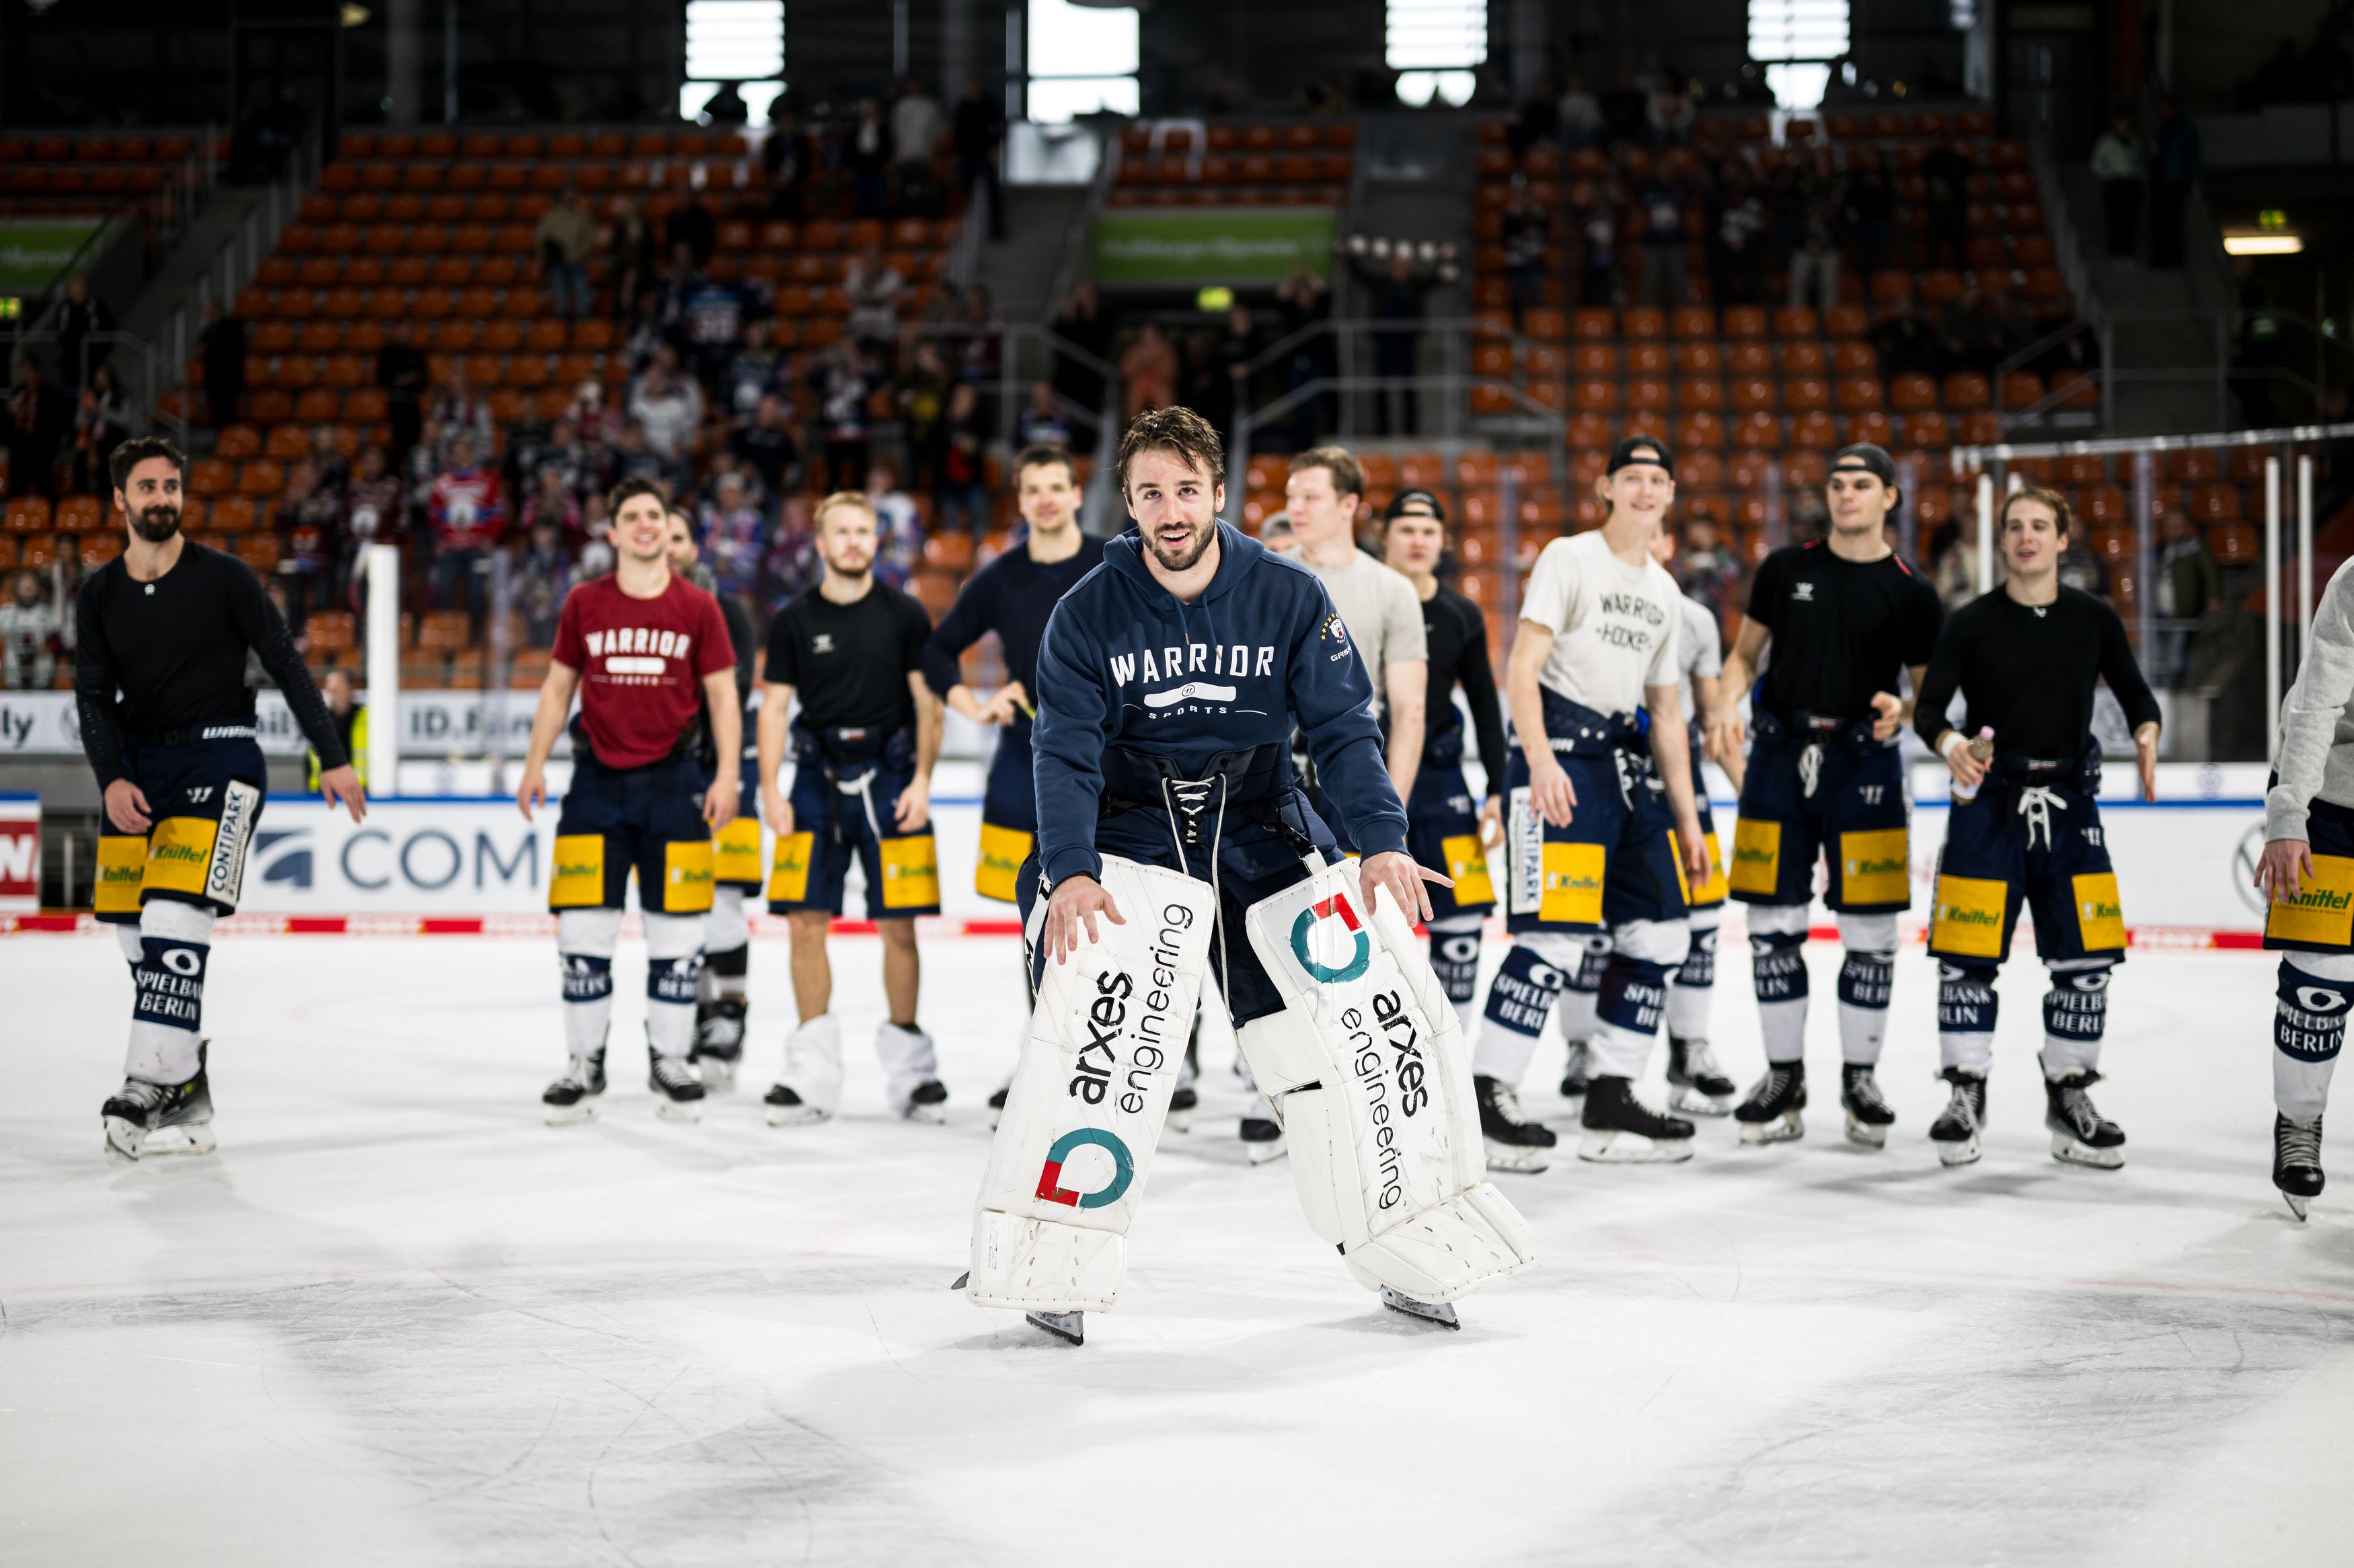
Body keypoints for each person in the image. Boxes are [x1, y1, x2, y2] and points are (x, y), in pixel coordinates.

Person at [983, 404, 1532, 1343]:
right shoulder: (1084, 613)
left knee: (1342, 1044)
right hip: (1129, 830)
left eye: (1185, 490)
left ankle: (1404, 1240)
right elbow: (1062, 751)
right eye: (1150, 493)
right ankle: (1053, 1261)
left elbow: (1345, 731)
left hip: (1262, 822)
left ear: (1218, 493)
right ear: (1128, 502)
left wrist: (1381, 839)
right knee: (1090, 1055)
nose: (1170, 510)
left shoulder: (1288, 593)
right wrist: (1069, 870)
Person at [76, 438, 366, 1160]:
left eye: (171, 486)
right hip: (138, 769)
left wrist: (333, 757)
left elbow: (287, 664)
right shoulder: (99, 593)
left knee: (173, 914)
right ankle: (186, 1083)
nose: (162, 498)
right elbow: (92, 696)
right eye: (147, 487)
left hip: (222, 757)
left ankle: (146, 1083)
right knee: (135, 934)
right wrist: (110, 777)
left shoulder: (227, 577)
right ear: (120, 499)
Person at [1469, 436, 1712, 1165]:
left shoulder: (1663, 591)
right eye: (1631, 477)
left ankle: (1611, 1094)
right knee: (1553, 938)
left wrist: (1689, 822)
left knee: (1663, 931)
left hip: (1625, 772)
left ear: (1671, 495)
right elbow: (1521, 668)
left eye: (1657, 480)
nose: (1645, 490)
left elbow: (1666, 715)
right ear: (1606, 487)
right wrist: (1539, 759)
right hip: (1560, 760)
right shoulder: (1568, 557)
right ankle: (1489, 1094)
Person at [1915, 485, 2158, 1171]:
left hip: (2071, 809)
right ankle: (1965, 1093)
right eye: (2015, 526)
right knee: (1964, 961)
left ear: (2062, 539)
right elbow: (1928, 710)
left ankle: (2069, 1096)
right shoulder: (1970, 622)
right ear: (2001, 542)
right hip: (1987, 807)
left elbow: (2136, 694)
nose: (2026, 536)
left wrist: (2146, 731)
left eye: (2039, 526)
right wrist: (1951, 746)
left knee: (2086, 964)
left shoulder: (2093, 618)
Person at [1708, 443, 1944, 1148]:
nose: (1846, 494)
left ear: (1889, 496)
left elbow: (1928, 697)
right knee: (1771, 927)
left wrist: (1903, 710)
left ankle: (1859, 1080)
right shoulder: (1786, 568)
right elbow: (1744, 655)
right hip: (1776, 762)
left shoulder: (1912, 590)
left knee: (1871, 934)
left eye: (1861, 484)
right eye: (1838, 483)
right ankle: (1783, 1077)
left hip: (1865, 766)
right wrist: (1724, 701)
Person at [515, 479, 741, 1125]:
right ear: (612, 531)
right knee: (581, 932)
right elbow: (558, 689)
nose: (646, 525)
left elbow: (723, 696)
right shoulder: (584, 602)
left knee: (680, 934)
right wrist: (534, 764)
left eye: (655, 516)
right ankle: (584, 1063)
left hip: (676, 785)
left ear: (666, 530)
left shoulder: (699, 606)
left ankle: (671, 1060)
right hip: (595, 787)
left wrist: (727, 775)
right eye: (633, 516)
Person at [918, 446, 1107, 1125]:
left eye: (1057, 486)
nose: (1047, 498)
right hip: (1021, 763)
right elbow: (936, 652)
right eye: (1034, 489)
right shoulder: (1000, 577)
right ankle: (1044, 1055)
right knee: (1035, 918)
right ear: (1021, 501)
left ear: (1076, 495)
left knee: (1129, 903)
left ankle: (1147, 1060)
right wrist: (972, 705)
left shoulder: (1114, 562)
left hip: (1111, 758)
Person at [756, 492, 949, 1126]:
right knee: (804, 922)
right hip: (814, 782)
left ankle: (914, 1077)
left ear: (876, 540)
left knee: (901, 926)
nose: (854, 542)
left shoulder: (906, 614)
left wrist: (922, 780)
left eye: (863, 531)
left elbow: (927, 704)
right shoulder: (793, 620)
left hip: (893, 781)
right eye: (841, 532)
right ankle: (809, 1076)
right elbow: (775, 710)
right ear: (820, 543)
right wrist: (771, 790)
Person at [1376, 489, 1507, 1087]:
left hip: (1447, 784)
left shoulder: (1461, 613)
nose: (1418, 540)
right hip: (1371, 784)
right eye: (1406, 529)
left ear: (1443, 542)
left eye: (1429, 530)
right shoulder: (1360, 597)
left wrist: (1498, 789)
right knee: (1365, 928)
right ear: (1385, 538)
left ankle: (1450, 1058)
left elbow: (1485, 705)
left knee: (1464, 923)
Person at [2251, 541, 2354, 1217]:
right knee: (2320, 981)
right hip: (2328, 795)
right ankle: (2298, 1121)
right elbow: (2317, 699)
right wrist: (2289, 813)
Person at [660, 508, 763, 1090]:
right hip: (666, 772)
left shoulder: (728, 611)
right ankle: (697, 1017)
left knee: (722, 901)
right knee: (680, 903)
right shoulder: (638, 609)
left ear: (693, 546)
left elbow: (732, 695)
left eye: (678, 537)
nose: (669, 547)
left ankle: (729, 1017)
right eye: (662, 538)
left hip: (727, 767)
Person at [426, 436, 505, 635]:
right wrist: (438, 540)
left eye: (465, 451)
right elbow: (434, 514)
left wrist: (490, 537)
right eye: (457, 451)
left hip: (477, 547)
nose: (461, 455)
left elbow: (496, 511)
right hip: (450, 548)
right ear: (452, 455)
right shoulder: (443, 482)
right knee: (443, 589)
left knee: (477, 592)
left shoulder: (486, 480)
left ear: (471, 453)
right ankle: (446, 634)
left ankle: (475, 636)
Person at [535, 184, 598, 319]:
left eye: (573, 195)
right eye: (567, 195)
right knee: (560, 295)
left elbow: (590, 240)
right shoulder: (551, 216)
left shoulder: (583, 216)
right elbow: (541, 238)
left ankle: (583, 325)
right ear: (562, 197)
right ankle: (561, 326)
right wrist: (543, 255)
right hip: (557, 263)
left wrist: (579, 253)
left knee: (581, 294)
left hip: (577, 262)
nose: (570, 198)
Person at [2091, 114, 2143, 262]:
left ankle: (2129, 253)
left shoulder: (2134, 142)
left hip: (2131, 184)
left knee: (2130, 219)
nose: (2123, 128)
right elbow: (2096, 165)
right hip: (2114, 183)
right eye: (2120, 124)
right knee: (2115, 219)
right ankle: (2116, 252)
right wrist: (2110, 174)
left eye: (2126, 124)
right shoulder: (2106, 142)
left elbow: (2138, 163)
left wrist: (2138, 175)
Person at [375, 320, 428, 468]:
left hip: (413, 405)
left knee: (414, 441)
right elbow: (381, 378)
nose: (404, 335)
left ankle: (413, 469)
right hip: (395, 405)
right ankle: (395, 470)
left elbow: (425, 378)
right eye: (402, 332)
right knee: (396, 442)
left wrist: (412, 379)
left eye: (407, 333)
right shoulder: (388, 353)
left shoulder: (416, 353)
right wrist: (402, 380)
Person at [306, 669, 368, 792]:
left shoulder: (366, 718)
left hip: (361, 790)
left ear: (351, 691)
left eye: (338, 690)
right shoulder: (319, 721)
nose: (334, 695)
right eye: (331, 690)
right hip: (322, 791)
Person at [0, 568, 61, 689]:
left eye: (31, 587)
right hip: (14, 654)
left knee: (45, 661)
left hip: (40, 655)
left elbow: (56, 636)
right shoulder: (6, 613)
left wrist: (48, 645)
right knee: (10, 657)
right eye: (24, 587)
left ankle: (41, 689)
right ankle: (14, 688)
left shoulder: (46, 612)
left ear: (37, 588)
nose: (28, 590)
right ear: (17, 589)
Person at [200, 299, 246, 429]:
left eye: (206, 307)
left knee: (229, 413)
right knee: (216, 413)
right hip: (213, 378)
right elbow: (201, 348)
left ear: (215, 308)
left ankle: (228, 436)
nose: (203, 311)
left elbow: (231, 349)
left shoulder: (232, 325)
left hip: (229, 377)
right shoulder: (208, 329)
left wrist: (209, 349)